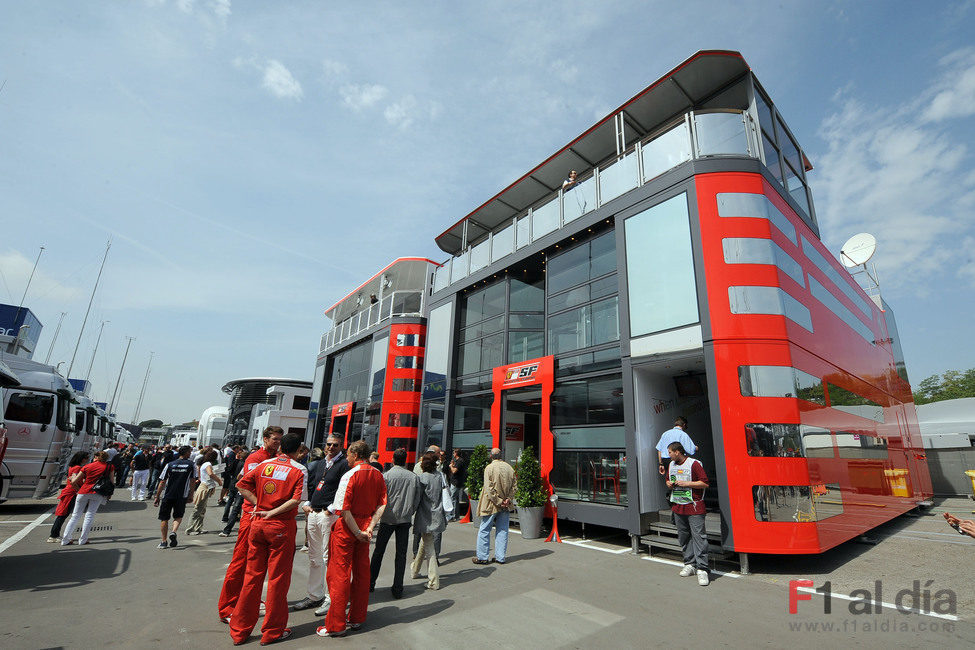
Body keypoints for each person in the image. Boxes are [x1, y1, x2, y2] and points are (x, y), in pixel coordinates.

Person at [229, 433, 308, 647]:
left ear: (281, 446)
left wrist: (259, 505)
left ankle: (239, 631)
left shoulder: (264, 464)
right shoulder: (299, 469)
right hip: (280, 526)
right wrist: (272, 512)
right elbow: (296, 500)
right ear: (298, 450)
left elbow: (241, 485)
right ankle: (272, 631)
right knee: (277, 580)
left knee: (251, 577)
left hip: (258, 523)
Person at [317, 440, 387, 638]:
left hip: (348, 529)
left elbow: (344, 509)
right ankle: (356, 618)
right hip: (365, 526)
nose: (346, 458)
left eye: (348, 454)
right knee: (362, 574)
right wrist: (369, 528)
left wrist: (357, 531)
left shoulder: (350, 475)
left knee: (339, 575)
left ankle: (336, 624)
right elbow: (382, 504)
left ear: (355, 455)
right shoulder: (378, 474)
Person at [217, 426, 284, 623]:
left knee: (257, 565)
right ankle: (228, 607)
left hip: (266, 516)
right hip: (252, 515)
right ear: (264, 439)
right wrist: (264, 505)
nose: (277, 443)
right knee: (241, 562)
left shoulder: (274, 459)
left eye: (280, 440)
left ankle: (248, 601)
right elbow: (245, 485)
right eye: (274, 439)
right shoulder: (255, 459)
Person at [290, 435, 349, 615]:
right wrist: (306, 503)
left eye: (335, 445)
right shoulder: (322, 463)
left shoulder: (344, 465)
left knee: (327, 558)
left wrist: (331, 509)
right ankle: (314, 595)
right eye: (328, 444)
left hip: (327, 515)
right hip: (314, 513)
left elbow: (343, 489)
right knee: (314, 558)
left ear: (341, 447)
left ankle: (331, 598)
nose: (330, 447)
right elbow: (314, 484)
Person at [370, 447, 421, 599]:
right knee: (401, 554)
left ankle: (370, 583)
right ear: (405, 460)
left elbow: (379, 497)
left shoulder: (386, 476)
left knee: (378, 551)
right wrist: (411, 510)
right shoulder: (413, 477)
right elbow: (417, 498)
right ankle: (398, 587)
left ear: (392, 460)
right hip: (404, 518)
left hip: (387, 518)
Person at [664, 441, 710, 586]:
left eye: (670, 452)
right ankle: (690, 563)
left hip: (694, 507)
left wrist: (686, 483)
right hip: (678, 506)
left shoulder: (694, 464)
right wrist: (669, 484)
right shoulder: (671, 465)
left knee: (699, 537)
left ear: (677, 452)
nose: (668, 455)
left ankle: (702, 569)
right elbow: (667, 480)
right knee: (684, 537)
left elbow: (705, 483)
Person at [60, 450, 115, 546]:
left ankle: (65, 539)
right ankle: (83, 540)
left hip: (83, 491)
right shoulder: (110, 467)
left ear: (97, 457)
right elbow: (111, 482)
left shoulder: (87, 466)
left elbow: (74, 482)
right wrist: (110, 494)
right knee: (89, 516)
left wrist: (73, 477)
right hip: (98, 493)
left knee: (75, 516)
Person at [411, 451, 447, 590]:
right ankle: (415, 570)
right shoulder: (440, 476)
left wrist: (411, 511)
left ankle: (433, 581)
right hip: (438, 514)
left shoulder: (422, 478)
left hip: (425, 516)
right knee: (425, 542)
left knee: (429, 548)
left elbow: (417, 498)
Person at [473, 447, 515, 565]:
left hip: (491, 504)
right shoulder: (509, 468)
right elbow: (514, 486)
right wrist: (507, 499)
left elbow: (489, 488)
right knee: (502, 530)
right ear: (501, 455)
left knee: (485, 529)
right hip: (505, 505)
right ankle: (500, 557)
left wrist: (498, 501)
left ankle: (482, 557)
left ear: (491, 456)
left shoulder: (489, 468)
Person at [153, 445, 197, 549]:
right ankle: (173, 531)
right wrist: (191, 495)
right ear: (185, 453)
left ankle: (164, 541)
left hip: (168, 495)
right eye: (189, 452)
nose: (190, 454)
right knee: (178, 516)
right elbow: (192, 481)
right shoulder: (191, 465)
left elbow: (162, 481)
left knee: (164, 518)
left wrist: (157, 496)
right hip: (181, 496)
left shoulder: (170, 464)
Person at [48, 451, 89, 543]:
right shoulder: (78, 468)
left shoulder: (72, 467)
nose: (87, 459)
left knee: (63, 514)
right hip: (71, 493)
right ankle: (53, 535)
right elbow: (73, 482)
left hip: (69, 491)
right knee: (63, 514)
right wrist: (79, 491)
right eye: (86, 457)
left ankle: (54, 534)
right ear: (82, 458)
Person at [186, 449, 222, 535]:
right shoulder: (208, 464)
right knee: (198, 509)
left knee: (201, 509)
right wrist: (219, 481)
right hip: (205, 487)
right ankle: (190, 529)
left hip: (205, 486)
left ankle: (198, 528)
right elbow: (210, 474)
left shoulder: (205, 464)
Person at [220, 447, 247, 527]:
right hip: (239, 484)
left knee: (230, 501)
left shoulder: (235, 462)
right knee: (238, 502)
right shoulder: (244, 464)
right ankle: (236, 517)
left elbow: (230, 470)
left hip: (233, 481)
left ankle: (225, 517)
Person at [447, 449, 467, 521]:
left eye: (453, 453)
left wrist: (451, 466)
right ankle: (456, 515)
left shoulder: (459, 461)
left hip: (456, 482)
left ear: (456, 453)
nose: (453, 454)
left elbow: (454, 471)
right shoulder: (458, 461)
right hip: (455, 481)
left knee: (452, 498)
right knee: (455, 498)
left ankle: (452, 516)